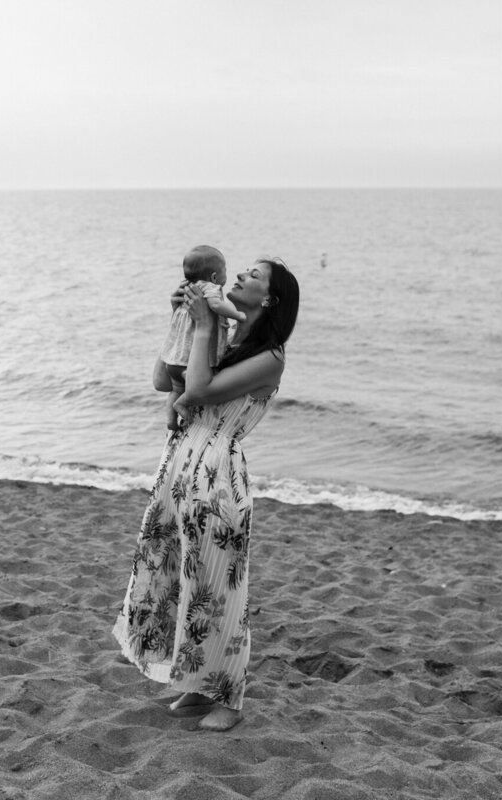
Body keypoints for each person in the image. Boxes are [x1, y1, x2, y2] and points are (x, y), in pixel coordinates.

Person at [113, 257, 300, 732]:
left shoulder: (271, 356)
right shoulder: (225, 335)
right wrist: (180, 321)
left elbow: (197, 390)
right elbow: (164, 381)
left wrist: (200, 328)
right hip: (177, 466)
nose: (240, 276)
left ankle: (229, 699)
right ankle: (196, 688)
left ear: (270, 299)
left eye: (253, 276)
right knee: (180, 582)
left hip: (217, 478)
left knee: (217, 591)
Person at [156, 245, 247, 430]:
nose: (238, 276)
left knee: (175, 390)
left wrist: (177, 316)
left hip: (173, 361)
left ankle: (171, 421)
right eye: (226, 271)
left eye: (253, 275)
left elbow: (161, 383)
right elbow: (217, 305)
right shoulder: (210, 288)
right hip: (186, 366)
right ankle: (181, 403)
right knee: (200, 382)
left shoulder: (189, 289)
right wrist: (238, 315)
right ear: (214, 277)